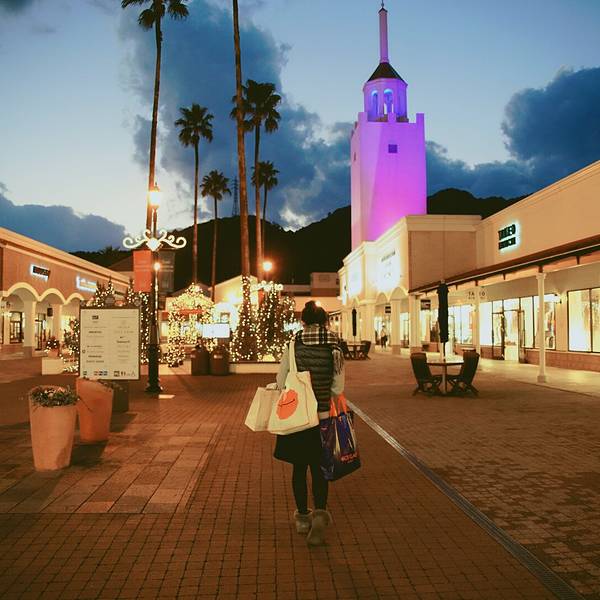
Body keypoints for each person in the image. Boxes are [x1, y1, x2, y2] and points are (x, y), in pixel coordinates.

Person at [275, 300, 345, 546]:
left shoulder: (293, 344)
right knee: (319, 469)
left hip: (298, 417)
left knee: (298, 468)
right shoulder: (334, 346)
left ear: (303, 321)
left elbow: (281, 380)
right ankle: (320, 516)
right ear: (325, 321)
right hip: (322, 417)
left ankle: (303, 519)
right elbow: (338, 387)